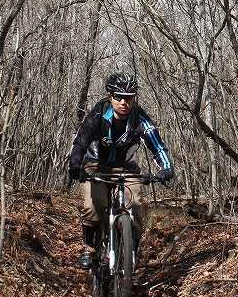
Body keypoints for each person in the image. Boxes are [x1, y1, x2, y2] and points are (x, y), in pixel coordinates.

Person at [69, 72, 173, 269]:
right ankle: (89, 247)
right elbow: (80, 141)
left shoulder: (140, 118)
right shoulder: (98, 114)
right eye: (119, 97)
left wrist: (166, 167)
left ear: (134, 97)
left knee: (135, 205)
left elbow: (157, 145)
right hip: (96, 165)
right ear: (110, 95)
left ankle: (130, 256)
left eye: (129, 97)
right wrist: (74, 166)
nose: (124, 102)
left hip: (126, 168)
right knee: (93, 204)